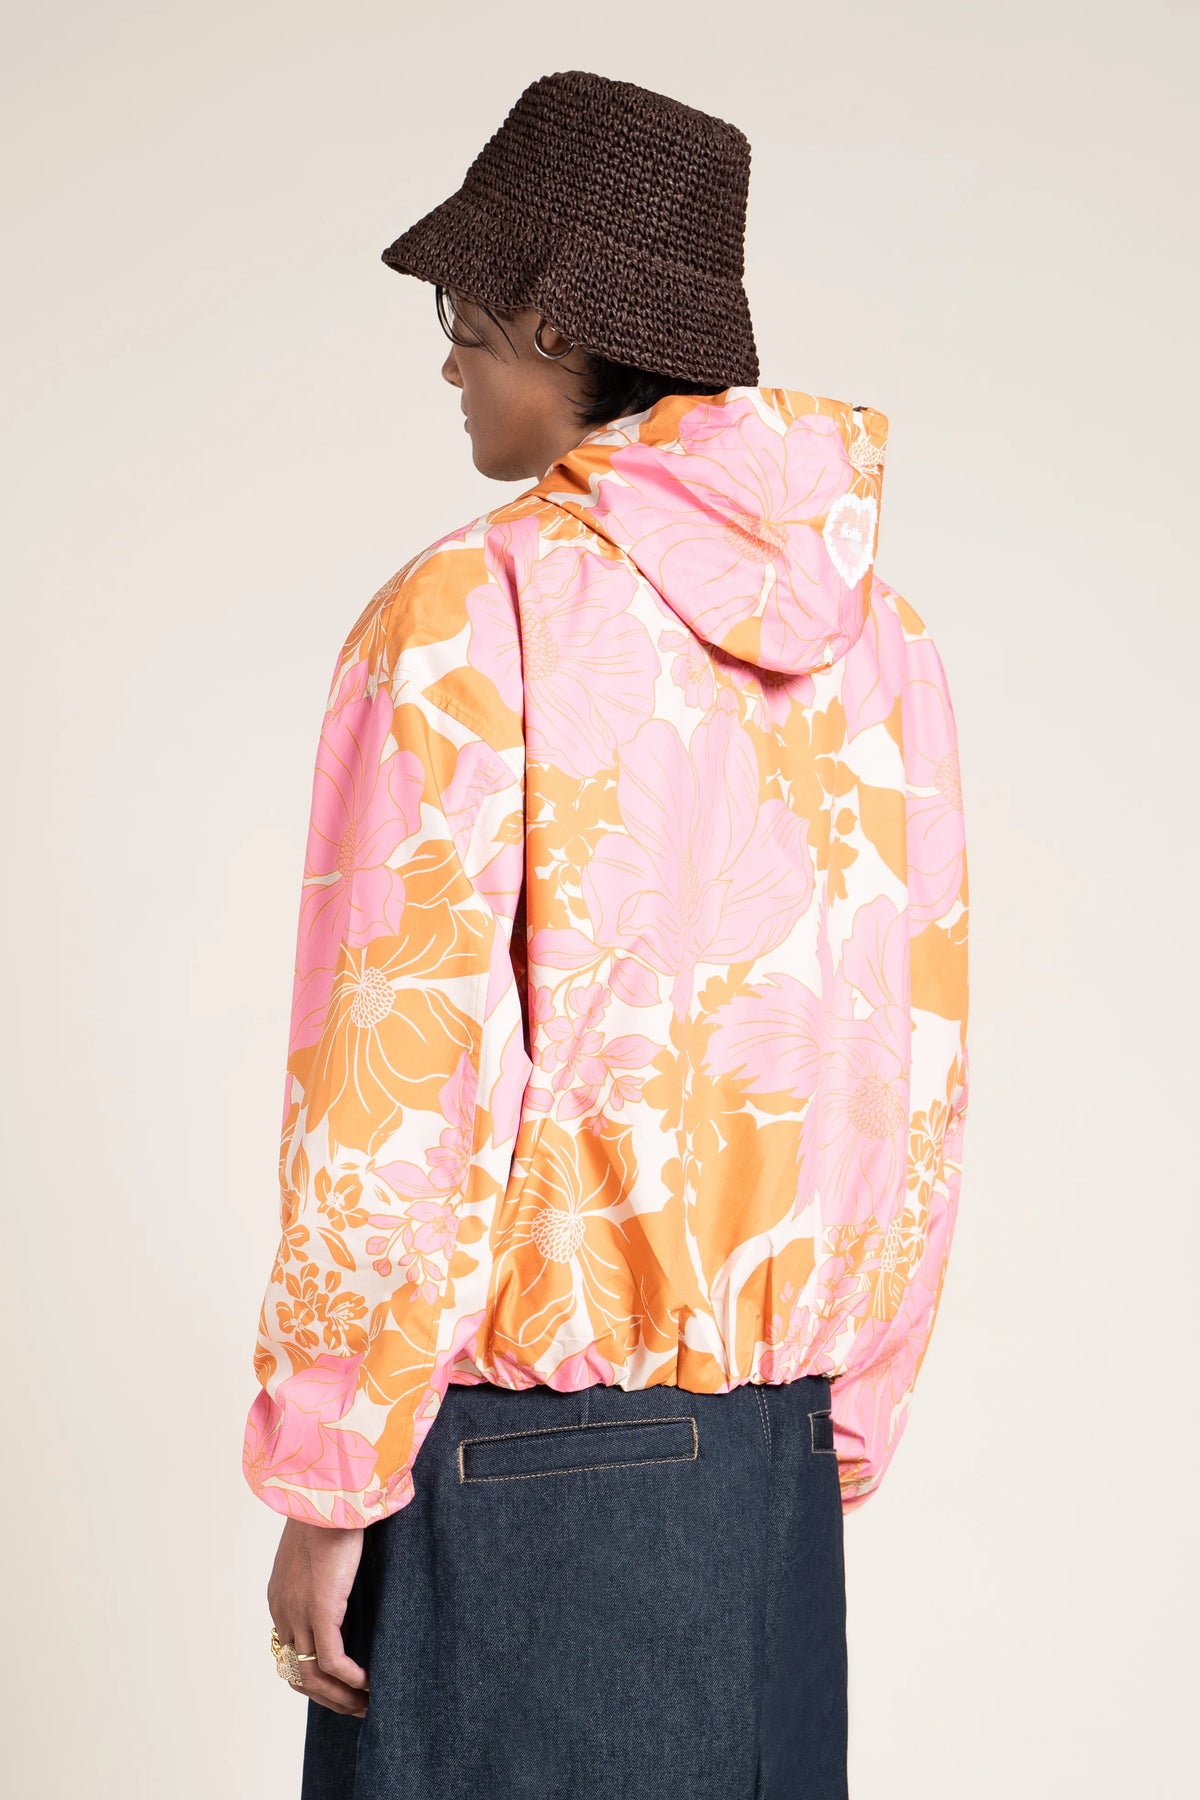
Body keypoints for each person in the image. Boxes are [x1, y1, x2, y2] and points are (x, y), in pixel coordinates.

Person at [242, 68, 970, 1800]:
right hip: (773, 1468)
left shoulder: (476, 605)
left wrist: (329, 1468)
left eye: (464, 315)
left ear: (559, 319)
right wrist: (848, 1405)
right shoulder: (881, 644)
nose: (448, 362)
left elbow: (400, 1072)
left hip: (519, 1471)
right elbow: (913, 1051)